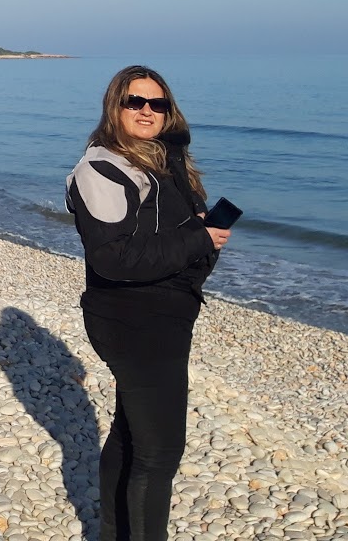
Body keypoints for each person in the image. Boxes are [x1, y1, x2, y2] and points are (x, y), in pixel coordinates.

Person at [65, 65, 231, 541]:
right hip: (134, 320)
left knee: (131, 436)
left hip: (162, 314)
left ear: (168, 111)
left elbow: (162, 238)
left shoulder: (160, 163)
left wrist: (199, 233)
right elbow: (114, 258)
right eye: (134, 101)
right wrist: (197, 238)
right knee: (159, 455)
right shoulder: (102, 168)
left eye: (157, 104)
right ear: (115, 106)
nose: (146, 111)